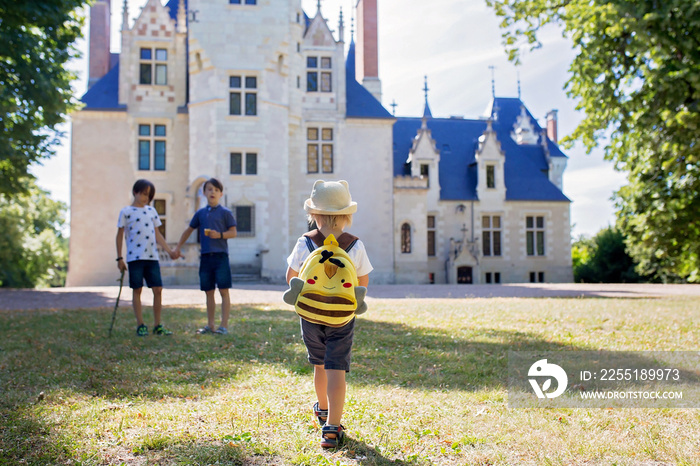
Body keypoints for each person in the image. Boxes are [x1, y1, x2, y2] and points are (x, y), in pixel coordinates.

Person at [285, 180, 372, 449]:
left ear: (314, 214)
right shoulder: (354, 245)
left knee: (319, 364)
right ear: (347, 215)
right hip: (341, 319)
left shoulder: (304, 242)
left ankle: (322, 408)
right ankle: (332, 428)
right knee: (337, 369)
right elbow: (362, 283)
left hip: (310, 316)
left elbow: (291, 278)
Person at [174, 178, 237, 335]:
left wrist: (220, 235)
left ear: (220, 194)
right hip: (205, 257)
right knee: (208, 292)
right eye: (209, 189)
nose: (212, 192)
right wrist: (177, 247)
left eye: (216, 190)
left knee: (223, 291)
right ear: (204, 193)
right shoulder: (200, 214)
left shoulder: (226, 213)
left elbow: (234, 232)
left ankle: (223, 326)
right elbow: (188, 231)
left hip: (221, 257)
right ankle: (210, 325)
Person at [116, 179, 178, 336]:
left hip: (152, 257)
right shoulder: (126, 212)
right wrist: (119, 258)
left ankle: (158, 325)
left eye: (148, 195)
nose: (145, 198)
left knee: (157, 289)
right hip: (134, 258)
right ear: (135, 192)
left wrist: (169, 251)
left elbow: (158, 234)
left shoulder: (152, 212)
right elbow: (119, 235)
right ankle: (141, 324)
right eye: (143, 193)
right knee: (137, 289)